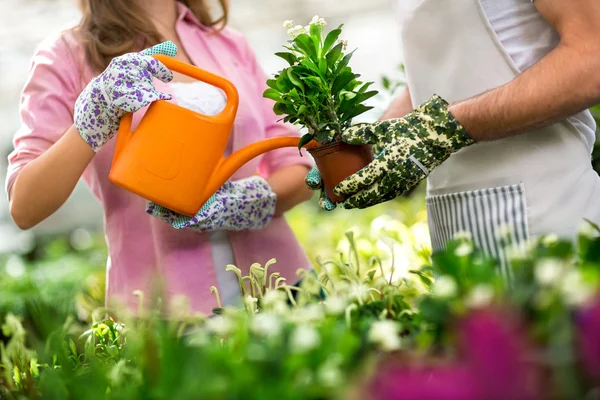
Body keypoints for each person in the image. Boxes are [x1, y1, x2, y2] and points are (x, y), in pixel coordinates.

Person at [7, 0, 314, 314]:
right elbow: (25, 206)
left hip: (283, 288)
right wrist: (94, 118)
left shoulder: (227, 42)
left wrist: (246, 203)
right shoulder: (66, 56)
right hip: (169, 314)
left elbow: (297, 163)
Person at [307, 0, 600, 278]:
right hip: (451, 223)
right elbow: (438, 75)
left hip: (547, 214)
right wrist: (371, 148)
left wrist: (444, 128)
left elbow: (591, 59)